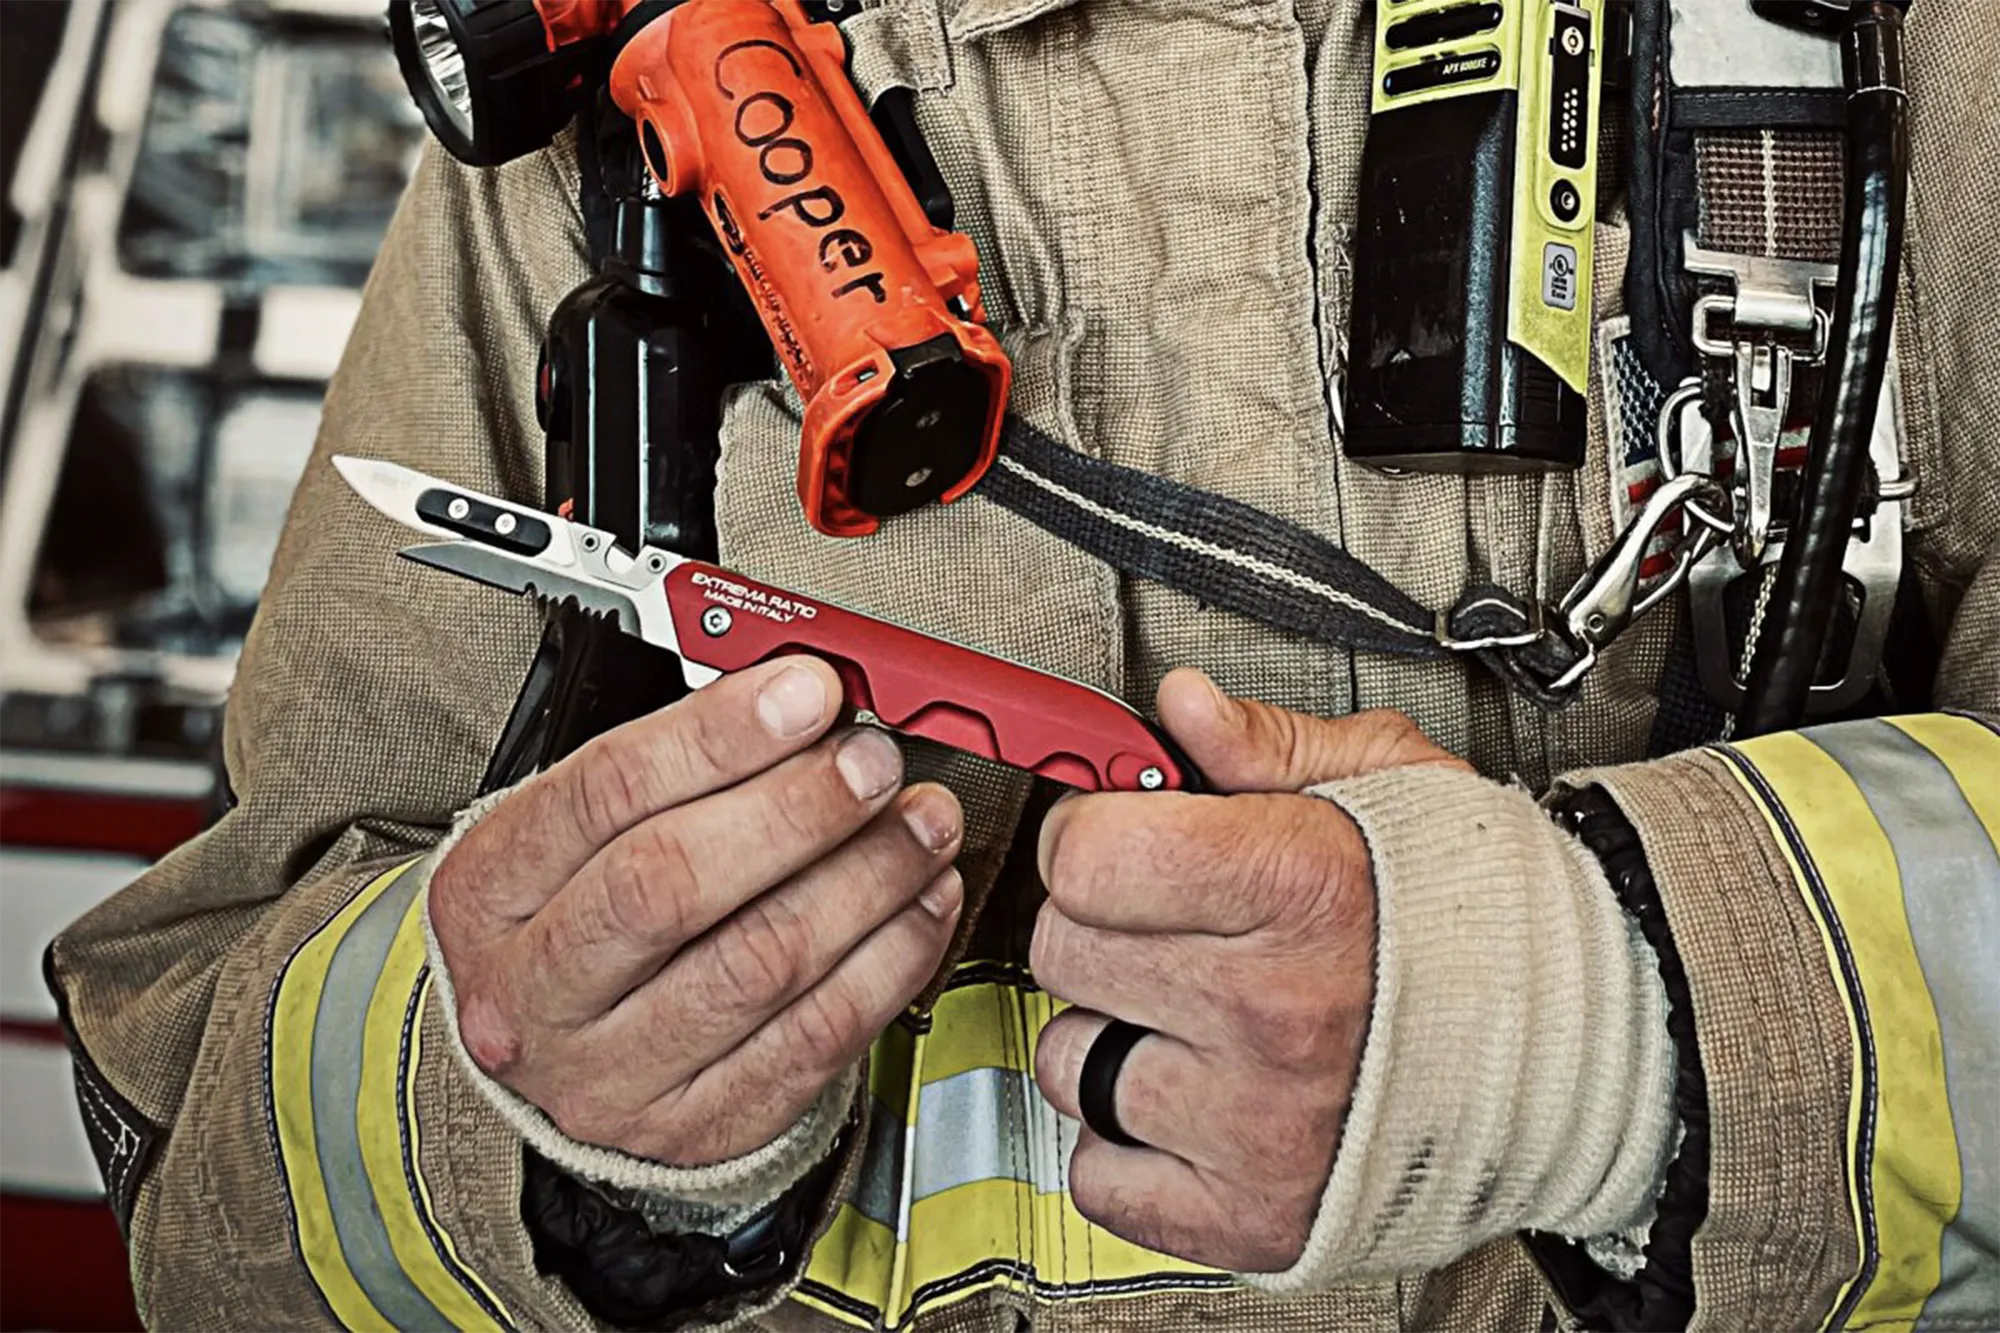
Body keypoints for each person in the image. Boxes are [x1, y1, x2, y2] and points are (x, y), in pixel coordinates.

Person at [46, 1, 1999, 1328]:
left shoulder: (1921, 54)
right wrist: (550, 1124)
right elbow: (202, 1152)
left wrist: (1598, 1036)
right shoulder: (612, 115)